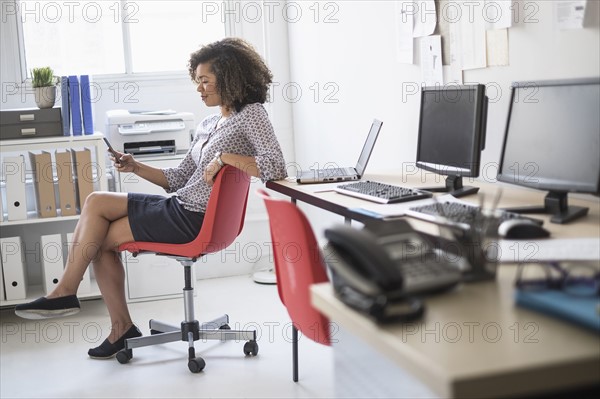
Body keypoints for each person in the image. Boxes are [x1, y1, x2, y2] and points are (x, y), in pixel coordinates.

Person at [15, 37, 288, 359]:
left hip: (194, 218)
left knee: (97, 209)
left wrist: (226, 157)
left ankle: (72, 298)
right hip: (180, 205)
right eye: (196, 81)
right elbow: (176, 179)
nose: (199, 89)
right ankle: (112, 323)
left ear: (229, 79)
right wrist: (135, 166)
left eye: (205, 81)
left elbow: (275, 167)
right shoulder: (209, 123)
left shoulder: (251, 114)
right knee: (98, 224)